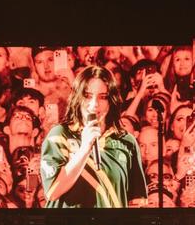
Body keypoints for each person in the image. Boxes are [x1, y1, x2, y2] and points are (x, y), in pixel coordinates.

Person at [40, 65, 147, 208]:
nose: (94, 104)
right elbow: (52, 192)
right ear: (77, 97)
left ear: (111, 100)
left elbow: (136, 201)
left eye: (103, 97)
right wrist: (84, 149)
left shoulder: (127, 141)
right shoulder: (60, 135)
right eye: (87, 96)